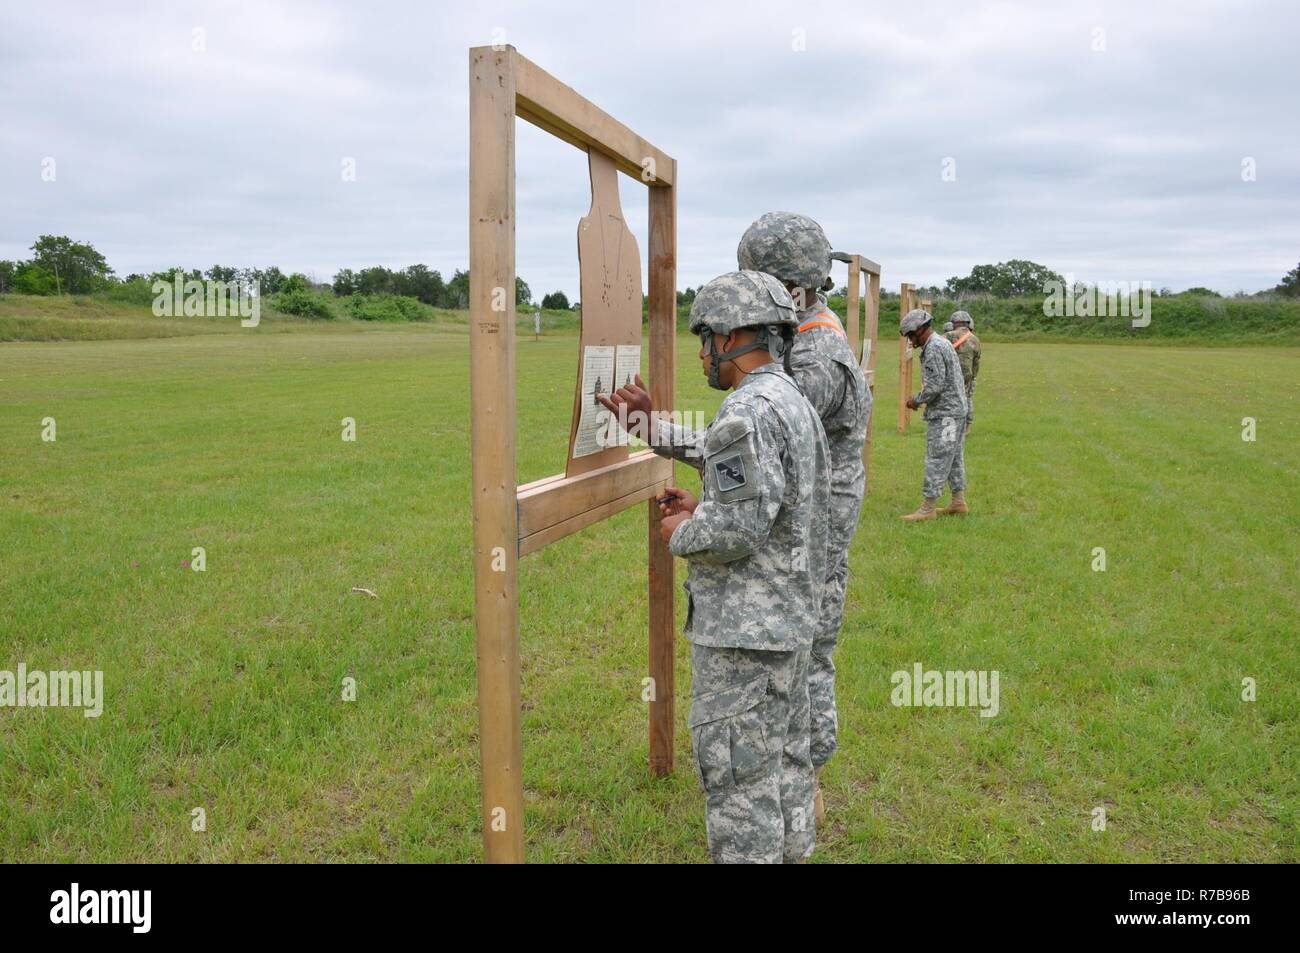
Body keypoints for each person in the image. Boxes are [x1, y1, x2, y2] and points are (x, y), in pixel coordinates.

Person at [598, 270, 830, 863]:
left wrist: (685, 529)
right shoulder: (787, 400)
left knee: (740, 791)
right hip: (790, 628)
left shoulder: (746, 412)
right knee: (786, 768)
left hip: (744, 640)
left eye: (710, 337)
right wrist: (651, 429)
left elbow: (735, 529)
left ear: (743, 335)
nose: (703, 352)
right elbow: (765, 497)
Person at [736, 212, 869, 822]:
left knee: (808, 652)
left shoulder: (816, 357)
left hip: (813, 532)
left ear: (791, 289)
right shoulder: (807, 339)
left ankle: (808, 778)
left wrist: (668, 434)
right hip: (804, 521)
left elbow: (764, 436)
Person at [901, 308, 969, 520]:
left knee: (938, 458)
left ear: (921, 329)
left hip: (946, 415)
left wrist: (916, 400)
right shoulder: (942, 343)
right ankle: (958, 502)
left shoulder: (933, 348)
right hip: (956, 411)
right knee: (954, 457)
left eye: (911, 335)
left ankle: (928, 508)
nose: (911, 341)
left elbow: (935, 386)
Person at [946, 311, 981, 435]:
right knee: (967, 400)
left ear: (954, 323)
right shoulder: (975, 339)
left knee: (949, 401)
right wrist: (972, 377)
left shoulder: (948, 336)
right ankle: (967, 428)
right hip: (968, 377)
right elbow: (976, 361)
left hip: (951, 377)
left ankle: (950, 429)